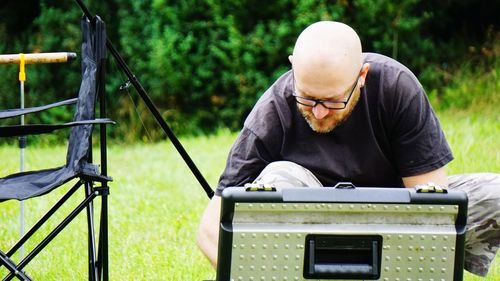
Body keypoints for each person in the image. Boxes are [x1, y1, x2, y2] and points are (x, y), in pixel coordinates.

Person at [197, 21, 499, 277]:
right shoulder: (271, 113)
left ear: (362, 77)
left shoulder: (397, 87)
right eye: (306, 98)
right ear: (293, 68)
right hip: (311, 233)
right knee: (279, 175)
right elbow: (210, 231)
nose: (317, 112)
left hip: (397, 220)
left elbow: (432, 212)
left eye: (331, 101)